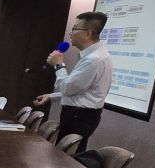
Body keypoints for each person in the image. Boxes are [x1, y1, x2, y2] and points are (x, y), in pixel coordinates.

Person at [35, 11, 112, 155]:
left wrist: (59, 65)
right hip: (80, 115)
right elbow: (80, 89)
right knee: (67, 157)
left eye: (75, 29)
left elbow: (68, 88)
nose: (70, 34)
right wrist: (51, 96)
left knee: (67, 159)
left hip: (80, 116)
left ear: (87, 33)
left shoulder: (94, 59)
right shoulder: (94, 56)